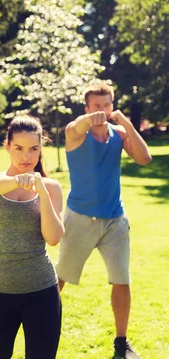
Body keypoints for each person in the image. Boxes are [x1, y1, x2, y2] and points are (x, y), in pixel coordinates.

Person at [56, 83, 152, 359]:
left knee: (122, 281)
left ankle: (121, 344)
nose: (102, 110)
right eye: (96, 106)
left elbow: (145, 158)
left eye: (106, 105)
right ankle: (43, 330)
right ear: (87, 108)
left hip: (115, 221)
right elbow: (73, 127)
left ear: (112, 105)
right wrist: (89, 120)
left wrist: (128, 125)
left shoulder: (119, 134)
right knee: (60, 278)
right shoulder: (76, 135)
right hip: (79, 220)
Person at [0, 115, 64, 359]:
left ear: (41, 148)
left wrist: (42, 190)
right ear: (7, 147)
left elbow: (53, 237)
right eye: (19, 148)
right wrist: (18, 180)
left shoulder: (52, 187)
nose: (27, 157)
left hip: (42, 290)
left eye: (34, 149)